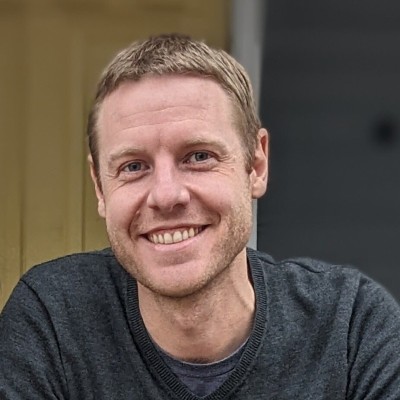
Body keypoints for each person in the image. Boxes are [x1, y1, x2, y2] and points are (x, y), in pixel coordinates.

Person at [0, 33, 399, 400]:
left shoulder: (350, 328)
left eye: (198, 156)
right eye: (133, 166)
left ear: (256, 165)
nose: (166, 195)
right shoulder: (52, 320)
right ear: (100, 188)